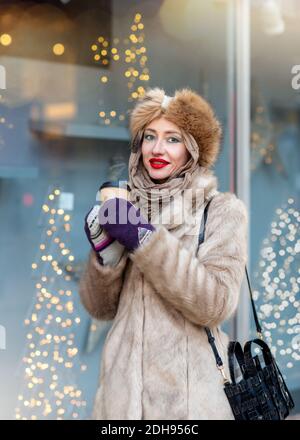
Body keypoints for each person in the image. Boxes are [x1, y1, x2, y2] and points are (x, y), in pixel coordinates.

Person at [79, 87, 248, 420]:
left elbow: (216, 304)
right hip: (120, 405)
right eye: (150, 136)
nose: (157, 149)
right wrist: (105, 256)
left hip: (186, 406)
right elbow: (100, 309)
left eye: (173, 139)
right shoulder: (128, 204)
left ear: (192, 150)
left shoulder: (221, 210)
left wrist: (143, 238)